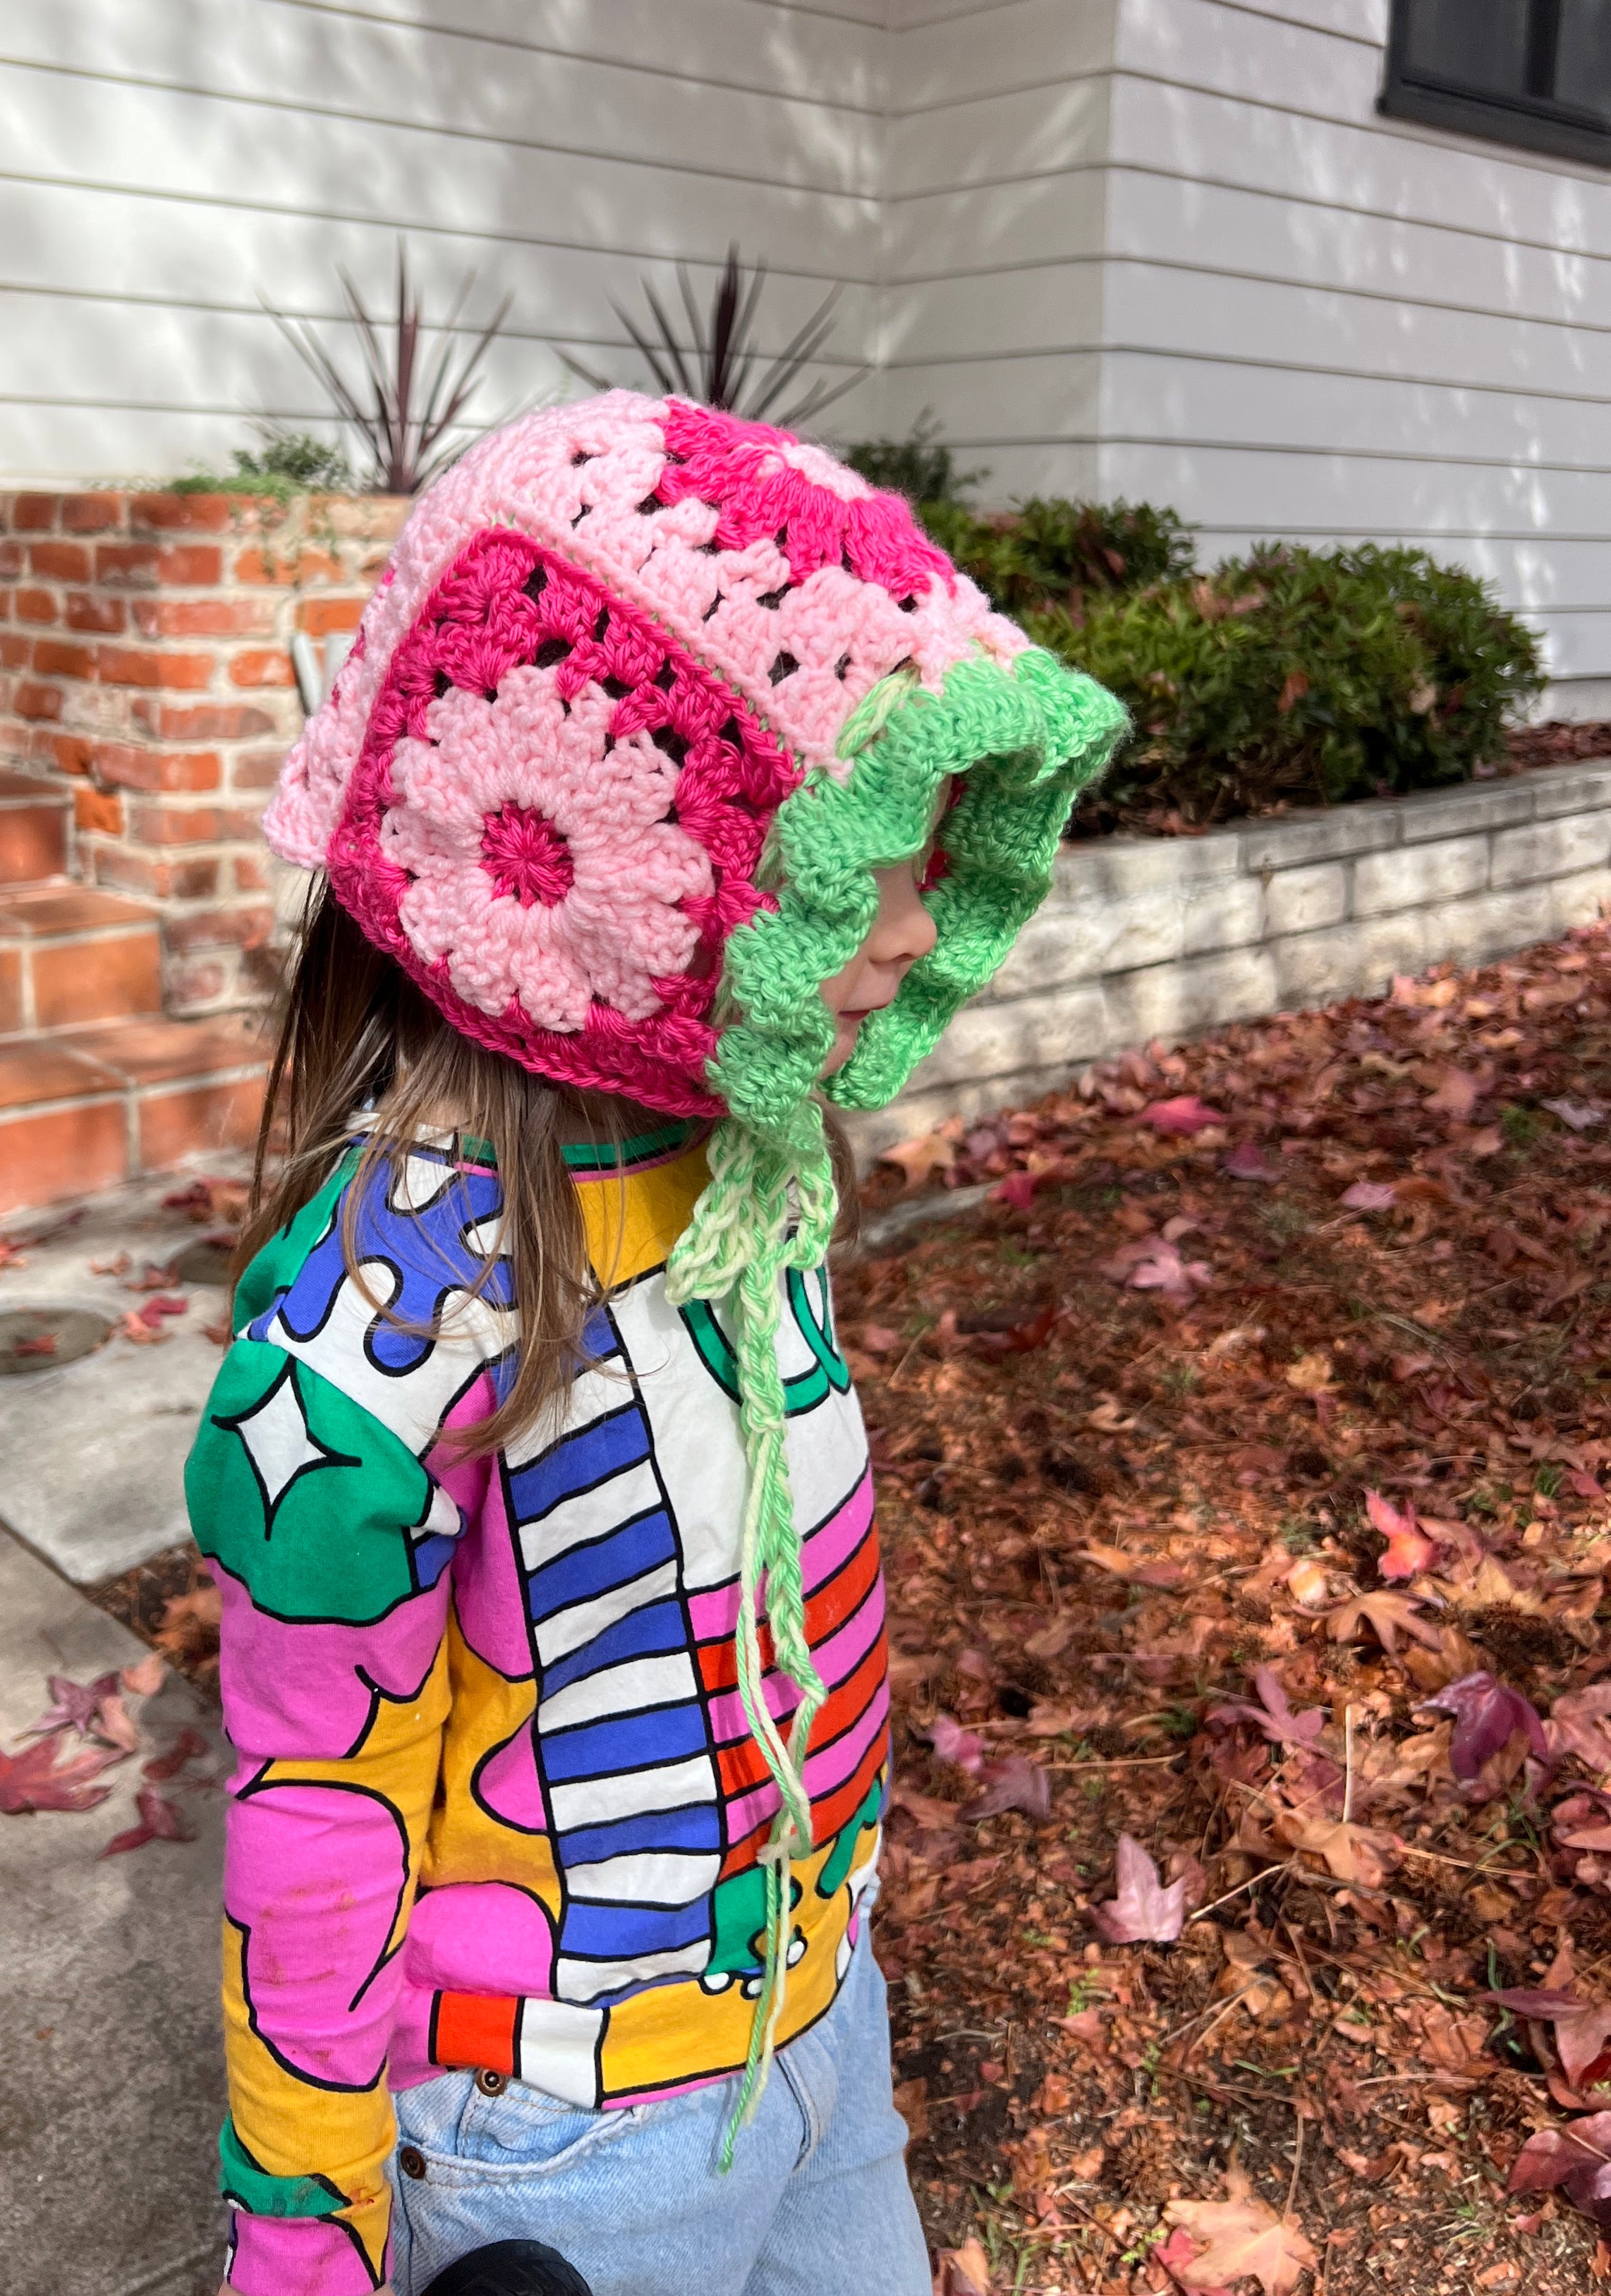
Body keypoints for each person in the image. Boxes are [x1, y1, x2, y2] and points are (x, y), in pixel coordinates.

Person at [187, 395, 1124, 2296]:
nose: (919, 932)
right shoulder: (386, 1309)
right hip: (562, 2146)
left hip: (814, 2029)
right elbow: (313, 1810)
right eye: (875, 872)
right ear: (637, 887)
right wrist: (305, 2241)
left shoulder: (738, 1157)